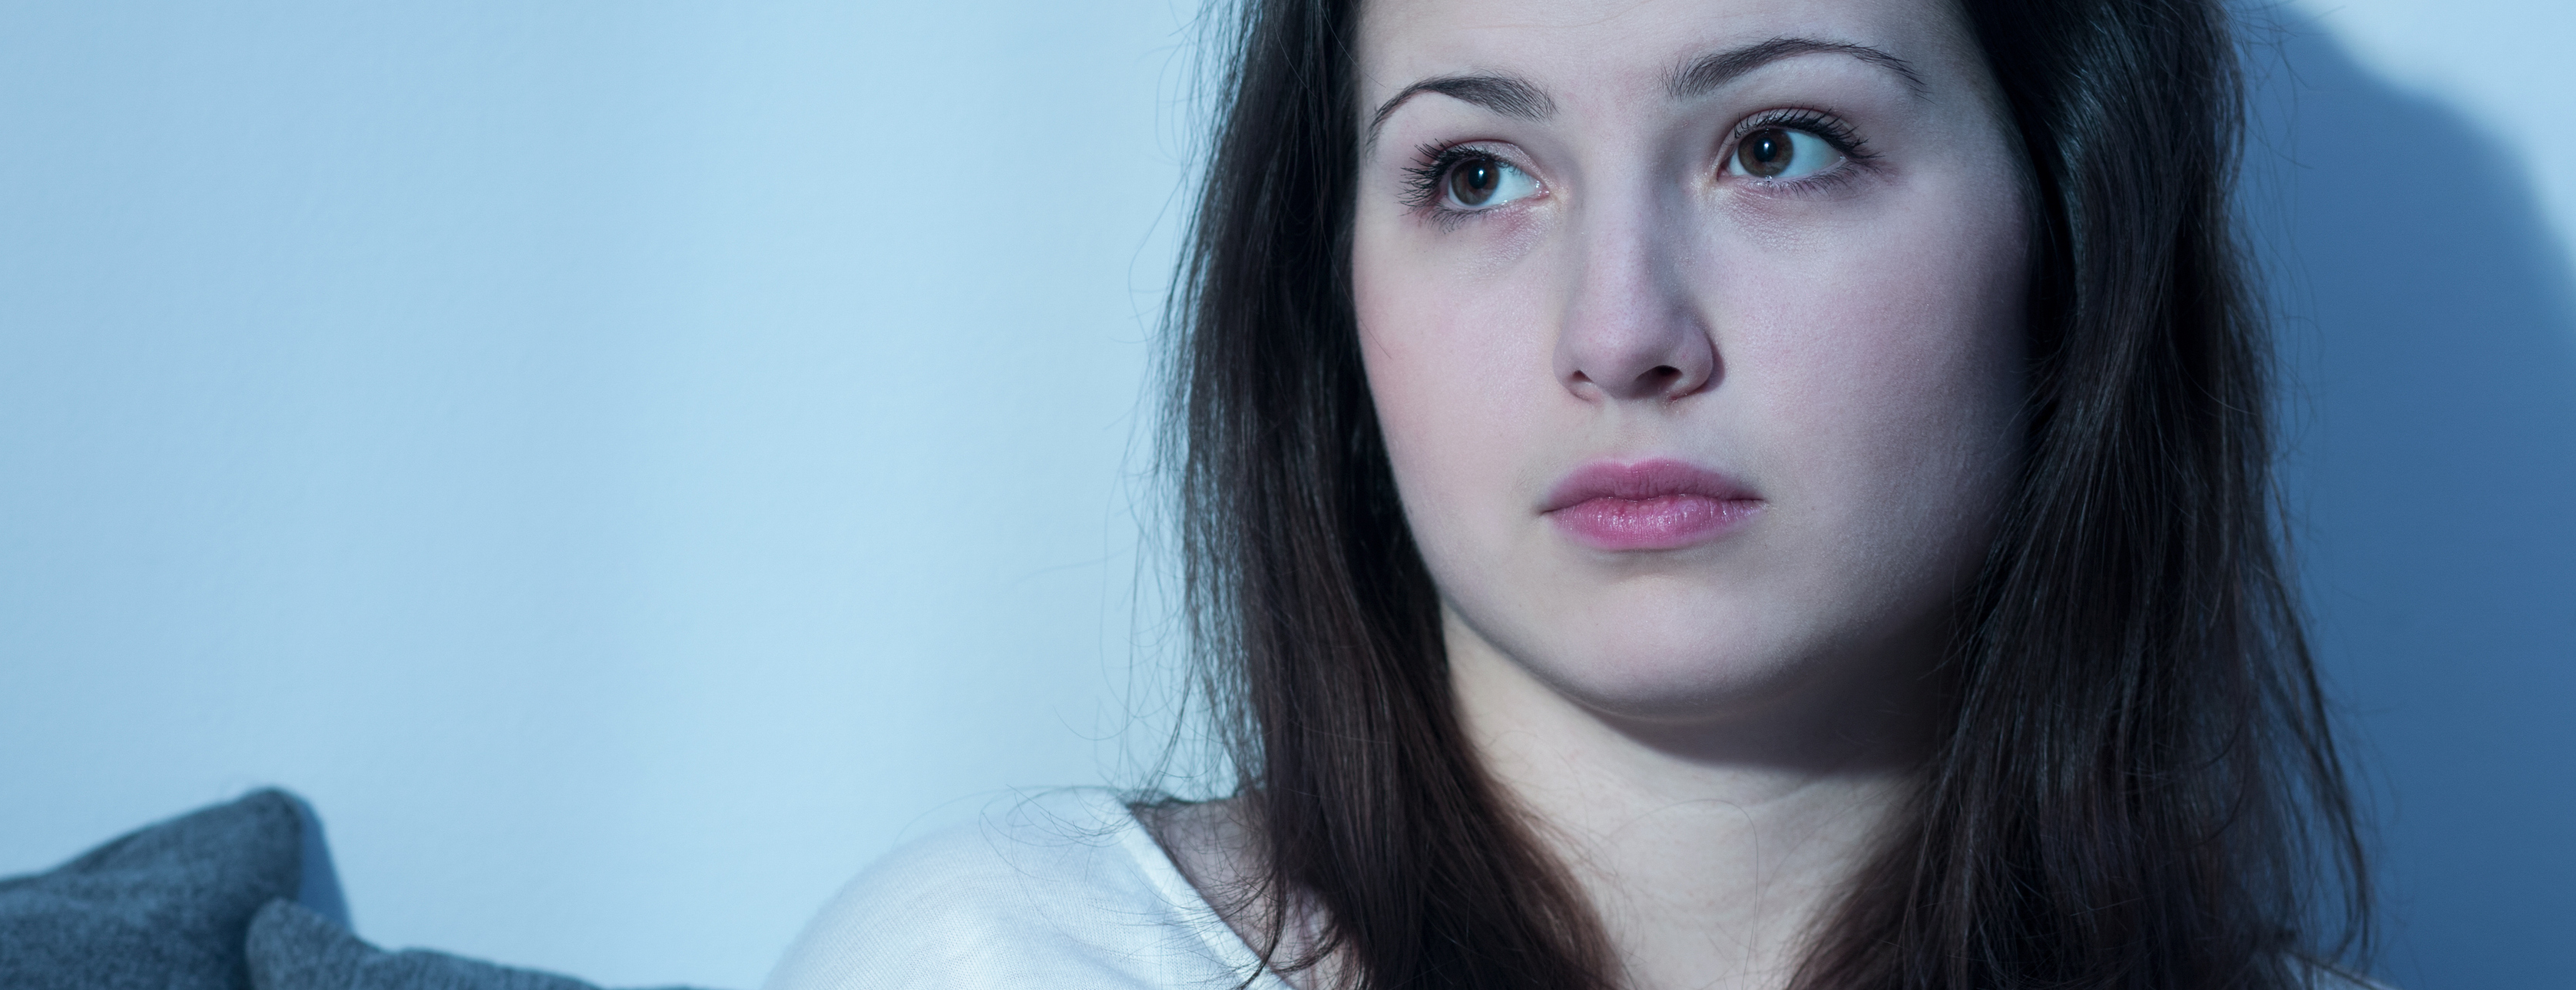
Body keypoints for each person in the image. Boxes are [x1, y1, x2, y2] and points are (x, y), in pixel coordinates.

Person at [766, 0, 2372, 986]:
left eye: (1783, 145)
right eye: (1474, 174)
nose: (1619, 333)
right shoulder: (997, 971)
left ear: (2067, 246)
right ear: (1331, 301)